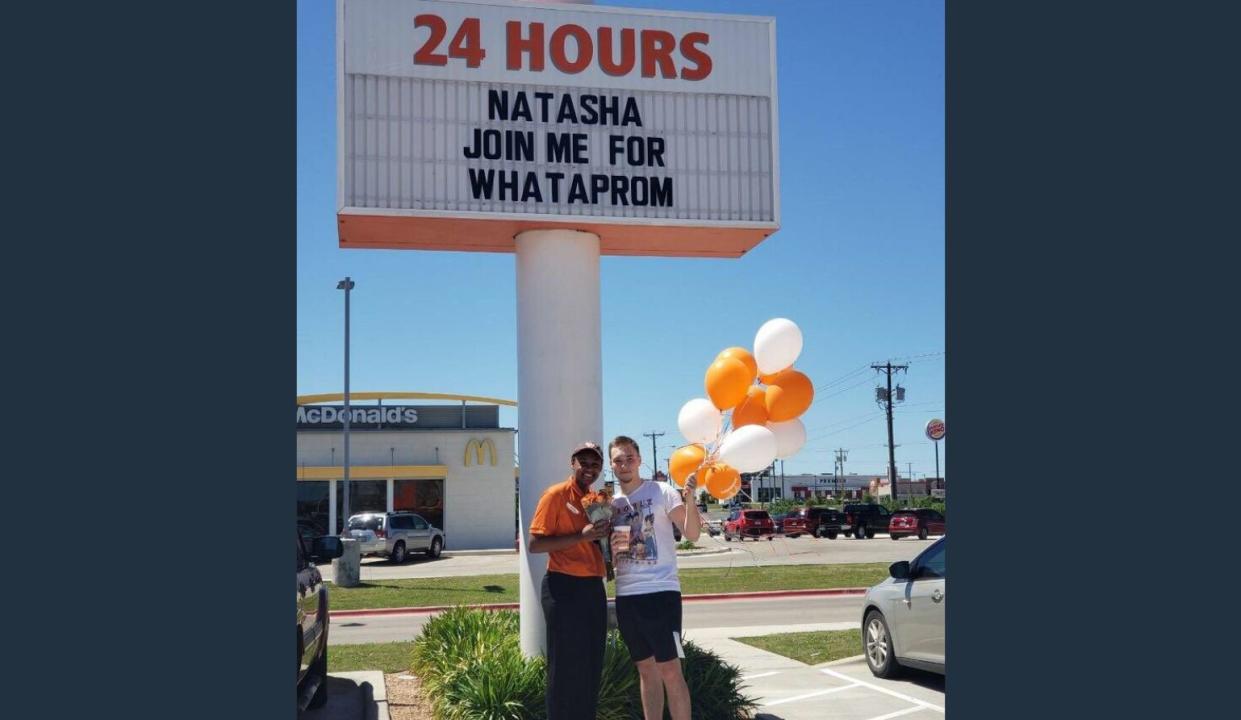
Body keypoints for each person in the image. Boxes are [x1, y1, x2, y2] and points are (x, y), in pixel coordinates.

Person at [607, 435, 701, 720]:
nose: (624, 464)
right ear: (612, 465)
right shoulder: (610, 505)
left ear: (639, 459)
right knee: (646, 671)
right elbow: (613, 559)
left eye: (629, 458)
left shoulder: (661, 491)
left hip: (661, 593)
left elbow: (692, 534)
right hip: (627, 596)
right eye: (618, 460)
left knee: (671, 670)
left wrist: (690, 497)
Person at [527, 441, 611, 720]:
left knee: (590, 665)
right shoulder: (555, 495)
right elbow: (535, 545)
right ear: (572, 463)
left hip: (592, 587)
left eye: (595, 464)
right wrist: (581, 536)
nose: (589, 469)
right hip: (562, 587)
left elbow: (597, 543)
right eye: (584, 463)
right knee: (564, 669)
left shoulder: (597, 498)